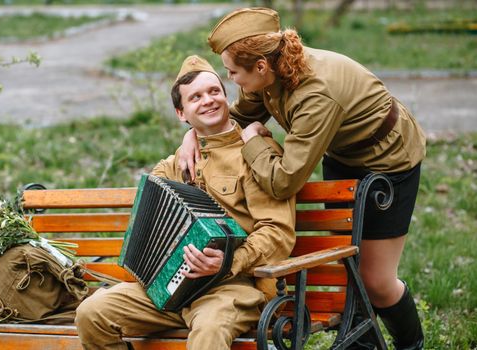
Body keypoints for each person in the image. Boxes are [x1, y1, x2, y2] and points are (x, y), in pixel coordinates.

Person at [178, 7, 426, 350]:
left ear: (260, 66)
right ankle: (363, 343)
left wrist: (253, 141)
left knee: (376, 279)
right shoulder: (265, 68)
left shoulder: (315, 94)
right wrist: (191, 134)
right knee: (350, 267)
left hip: (389, 160)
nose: (231, 79)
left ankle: (412, 344)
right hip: (342, 156)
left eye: (233, 72)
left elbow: (283, 182)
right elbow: (233, 118)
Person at [75, 55, 296, 350]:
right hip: (169, 287)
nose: (208, 100)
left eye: (214, 91)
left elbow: (277, 232)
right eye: (196, 97)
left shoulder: (257, 153)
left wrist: (227, 262)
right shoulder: (173, 165)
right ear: (181, 113)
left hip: (230, 287)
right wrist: (190, 139)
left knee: (209, 332)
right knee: (91, 313)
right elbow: (150, 211)